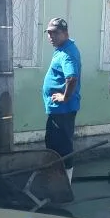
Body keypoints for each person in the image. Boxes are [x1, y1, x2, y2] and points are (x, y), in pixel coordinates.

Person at [42, 17, 81, 183]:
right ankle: (57, 180)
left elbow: (72, 78)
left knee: (62, 147)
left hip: (62, 110)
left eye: (55, 33)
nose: (51, 37)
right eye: (49, 33)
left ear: (65, 33)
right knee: (53, 145)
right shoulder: (62, 48)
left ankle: (65, 183)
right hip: (58, 109)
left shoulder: (67, 53)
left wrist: (65, 97)